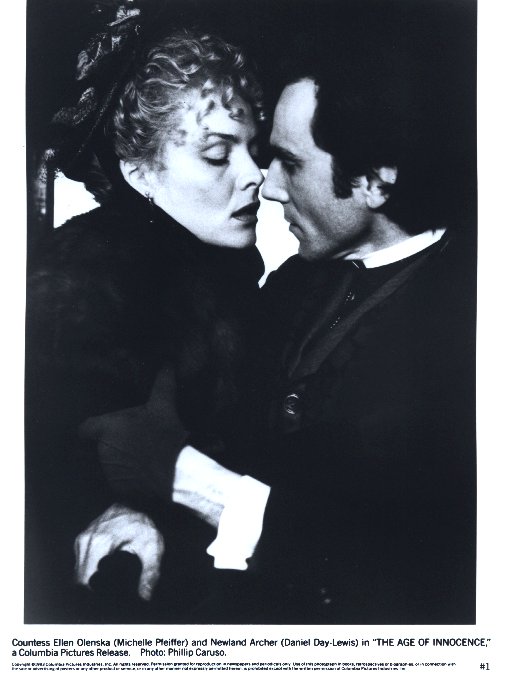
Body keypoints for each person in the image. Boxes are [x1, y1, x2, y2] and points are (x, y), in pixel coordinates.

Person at [75, 41, 476, 624]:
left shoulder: (474, 326)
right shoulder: (290, 282)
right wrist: (140, 510)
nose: (267, 186)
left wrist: (189, 481)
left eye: (290, 162)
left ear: (376, 180)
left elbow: (420, 567)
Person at [25, 19, 266, 623]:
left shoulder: (228, 267)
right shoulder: (82, 272)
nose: (254, 175)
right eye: (218, 154)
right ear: (139, 174)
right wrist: (107, 508)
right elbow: (47, 451)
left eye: (253, 150)